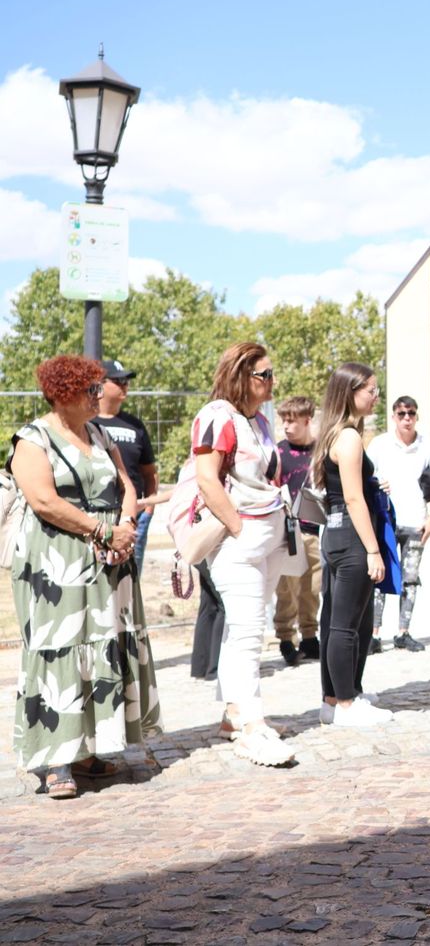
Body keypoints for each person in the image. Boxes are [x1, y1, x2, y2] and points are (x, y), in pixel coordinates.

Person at [9, 355, 159, 798]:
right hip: (55, 562)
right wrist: (100, 530)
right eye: (93, 389)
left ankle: (90, 748)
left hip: (109, 556)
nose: (101, 395)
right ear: (65, 394)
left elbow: (127, 485)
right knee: (59, 649)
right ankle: (56, 759)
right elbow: (43, 501)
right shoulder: (32, 440)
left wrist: (126, 526)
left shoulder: (98, 433)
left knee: (104, 644)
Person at [192, 342, 296, 766]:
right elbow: (207, 479)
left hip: (268, 537)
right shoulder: (217, 416)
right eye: (263, 375)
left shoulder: (258, 420)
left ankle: (236, 713)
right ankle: (251, 724)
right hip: (241, 541)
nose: (272, 381)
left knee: (247, 629)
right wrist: (236, 528)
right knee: (249, 631)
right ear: (240, 376)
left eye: (272, 373)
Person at [312, 363, 395, 727]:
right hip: (351, 538)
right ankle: (345, 704)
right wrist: (373, 550)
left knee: (336, 621)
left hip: (335, 535)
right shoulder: (347, 438)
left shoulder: (333, 434)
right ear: (351, 392)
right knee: (347, 625)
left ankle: (335, 698)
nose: (376, 396)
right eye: (371, 390)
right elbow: (353, 498)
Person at [366, 395, 430, 653]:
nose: (407, 418)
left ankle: (403, 632)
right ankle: (374, 634)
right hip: (386, 521)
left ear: (417, 416)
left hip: (415, 522)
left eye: (411, 413)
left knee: (410, 578)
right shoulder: (379, 445)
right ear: (393, 417)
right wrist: (377, 485)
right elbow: (364, 477)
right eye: (401, 414)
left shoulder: (429, 446)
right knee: (379, 576)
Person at [91, 358, 159, 575]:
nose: (124, 385)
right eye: (118, 381)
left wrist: (147, 510)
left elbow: (149, 472)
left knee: (131, 576)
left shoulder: (135, 425)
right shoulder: (87, 424)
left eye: (127, 381)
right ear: (100, 384)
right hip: (98, 516)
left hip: (134, 515)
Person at [272, 396, 321, 666]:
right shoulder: (278, 453)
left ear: (307, 420)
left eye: (292, 421)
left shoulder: (319, 452)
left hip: (312, 527)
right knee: (286, 587)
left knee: (312, 585)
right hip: (286, 529)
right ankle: (285, 638)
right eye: (284, 421)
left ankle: (310, 636)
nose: (287, 427)